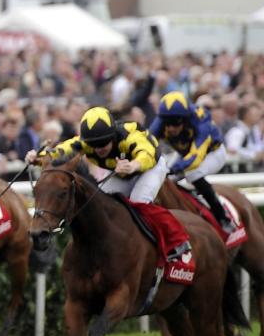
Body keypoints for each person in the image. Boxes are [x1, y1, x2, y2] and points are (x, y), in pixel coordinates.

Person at [26, 107, 186, 259]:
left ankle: (176, 241)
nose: (100, 148)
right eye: (95, 145)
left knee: (139, 202)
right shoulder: (86, 142)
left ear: (113, 136)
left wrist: (133, 165)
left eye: (104, 143)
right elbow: (60, 151)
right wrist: (37, 158)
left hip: (150, 168)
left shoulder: (128, 137)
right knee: (105, 204)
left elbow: (146, 153)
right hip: (122, 172)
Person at [148, 92, 236, 234]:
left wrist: (175, 169)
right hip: (184, 152)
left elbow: (195, 158)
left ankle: (222, 217)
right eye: (167, 123)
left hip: (212, 153)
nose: (170, 128)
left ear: (185, 118)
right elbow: (146, 144)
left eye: (176, 123)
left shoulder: (201, 122)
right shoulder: (160, 121)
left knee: (192, 174)